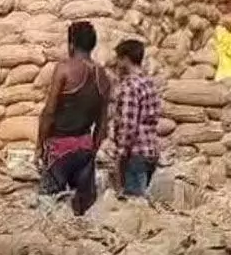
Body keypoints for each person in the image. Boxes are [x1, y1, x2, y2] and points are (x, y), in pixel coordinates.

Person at [36, 21, 111, 215]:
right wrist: (92, 152)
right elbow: (103, 124)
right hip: (85, 148)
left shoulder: (64, 69)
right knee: (82, 213)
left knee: (48, 208)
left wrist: (39, 145)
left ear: (71, 44)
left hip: (59, 149)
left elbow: (49, 112)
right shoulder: (103, 77)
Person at [110, 39, 162, 198]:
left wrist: (120, 156)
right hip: (150, 151)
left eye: (118, 59)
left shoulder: (130, 86)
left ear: (126, 59)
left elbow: (128, 126)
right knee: (142, 204)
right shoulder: (149, 83)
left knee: (133, 206)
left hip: (135, 154)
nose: (117, 64)